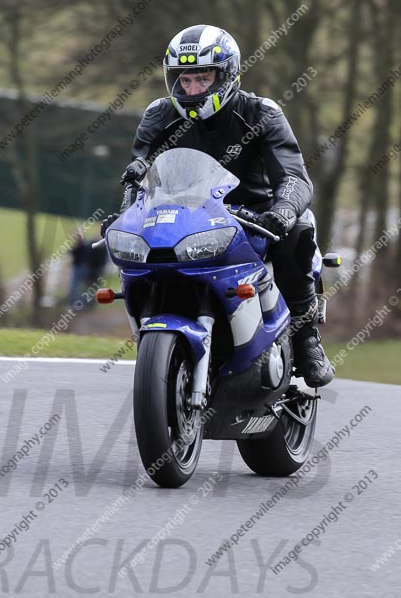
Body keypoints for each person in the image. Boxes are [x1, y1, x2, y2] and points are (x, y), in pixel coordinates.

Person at [101, 24, 334, 387]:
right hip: (183, 219)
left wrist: (283, 211)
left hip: (253, 217)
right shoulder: (158, 116)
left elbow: (293, 176)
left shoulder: (262, 114)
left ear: (227, 75)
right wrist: (125, 211)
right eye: (184, 80)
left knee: (300, 229)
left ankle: (306, 341)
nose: (192, 89)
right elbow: (140, 177)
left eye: (203, 79)